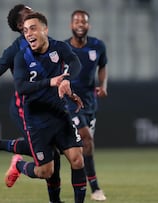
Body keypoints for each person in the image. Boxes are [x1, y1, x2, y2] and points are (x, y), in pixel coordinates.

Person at [0, 5, 64, 203]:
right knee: (49, 156)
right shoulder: (15, 50)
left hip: (48, 106)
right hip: (25, 108)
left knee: (52, 154)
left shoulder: (46, 41)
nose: (33, 13)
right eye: (28, 13)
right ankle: (17, 165)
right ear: (19, 25)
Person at [6, 12, 86, 203]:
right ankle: (19, 166)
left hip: (60, 114)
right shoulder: (21, 57)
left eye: (33, 28)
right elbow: (21, 87)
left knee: (77, 159)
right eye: (25, 31)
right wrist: (51, 82)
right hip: (36, 120)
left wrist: (66, 79)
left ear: (45, 29)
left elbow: (76, 63)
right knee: (45, 171)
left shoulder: (59, 48)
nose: (29, 34)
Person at [64, 10, 108, 201]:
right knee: (86, 138)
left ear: (88, 25)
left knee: (84, 148)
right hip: (70, 102)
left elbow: (103, 66)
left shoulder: (98, 46)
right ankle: (96, 188)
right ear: (71, 25)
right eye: (76, 21)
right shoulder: (64, 48)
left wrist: (103, 85)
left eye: (84, 21)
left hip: (90, 103)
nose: (80, 24)